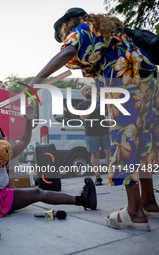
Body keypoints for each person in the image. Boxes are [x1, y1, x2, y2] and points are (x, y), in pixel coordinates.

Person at [27, 7, 159, 231]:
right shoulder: (112, 31)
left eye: (62, 35)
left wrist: (35, 82)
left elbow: (67, 53)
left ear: (67, 26)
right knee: (143, 142)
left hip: (123, 82)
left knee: (124, 142)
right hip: (148, 80)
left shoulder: (83, 29)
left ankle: (135, 212)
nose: (64, 39)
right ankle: (148, 202)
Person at [0, 104, 97, 242]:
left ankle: (84, 200)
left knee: (38, 193)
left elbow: (24, 141)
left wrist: (29, 120)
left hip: (4, 198)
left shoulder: (3, 153)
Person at [77, 85, 111, 185]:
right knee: (95, 154)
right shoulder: (81, 105)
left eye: (90, 89)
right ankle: (98, 177)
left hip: (104, 130)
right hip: (91, 132)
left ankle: (111, 174)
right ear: (83, 94)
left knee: (108, 152)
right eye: (86, 90)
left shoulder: (100, 102)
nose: (89, 91)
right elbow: (84, 117)